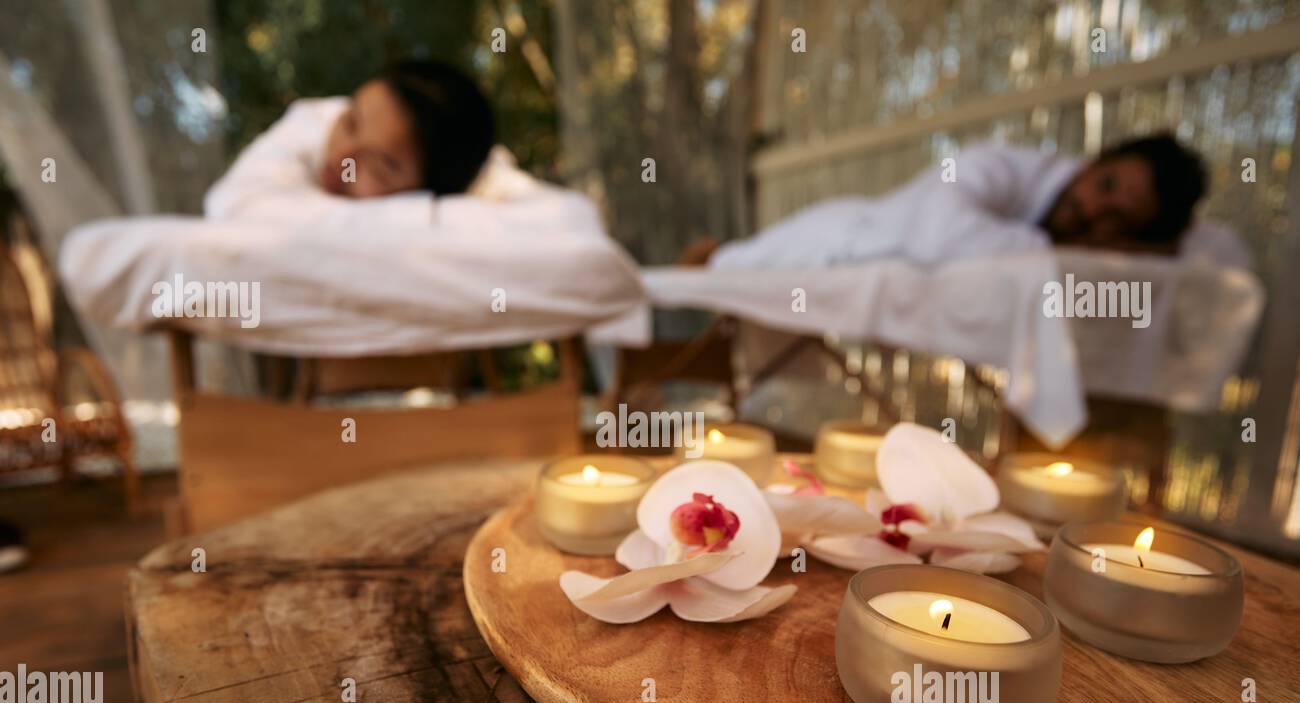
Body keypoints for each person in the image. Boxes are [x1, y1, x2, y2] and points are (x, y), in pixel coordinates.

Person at [685, 133, 1207, 269]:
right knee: (731, 264)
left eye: (1118, 219)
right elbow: (939, 236)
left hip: (856, 227)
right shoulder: (995, 164)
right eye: (1107, 187)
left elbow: (1216, 251)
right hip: (842, 231)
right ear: (1094, 162)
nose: (1095, 210)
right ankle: (712, 254)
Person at [203, 59, 586, 226]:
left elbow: (571, 220)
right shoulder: (310, 126)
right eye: (350, 124)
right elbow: (227, 207)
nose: (342, 159)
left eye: (381, 166)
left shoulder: (480, 184)